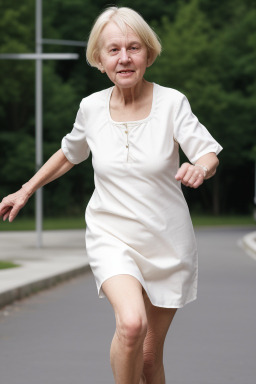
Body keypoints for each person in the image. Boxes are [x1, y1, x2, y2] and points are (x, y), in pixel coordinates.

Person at [0, 6, 222, 384]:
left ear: (148, 54)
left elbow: (207, 151)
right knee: (131, 326)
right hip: (112, 235)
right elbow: (70, 153)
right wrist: (26, 189)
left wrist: (200, 167)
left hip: (166, 241)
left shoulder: (172, 103)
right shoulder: (91, 108)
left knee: (150, 360)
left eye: (134, 48)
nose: (124, 58)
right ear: (99, 60)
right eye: (113, 49)